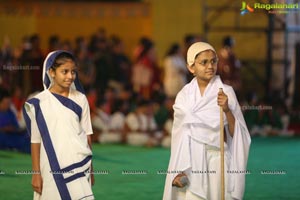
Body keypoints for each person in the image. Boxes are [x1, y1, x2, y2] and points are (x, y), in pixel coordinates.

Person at [163, 42, 251, 200]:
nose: (210, 66)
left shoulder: (226, 92)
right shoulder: (184, 96)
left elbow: (237, 134)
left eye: (213, 61)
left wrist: (227, 110)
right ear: (191, 67)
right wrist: (179, 168)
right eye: (204, 62)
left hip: (219, 160)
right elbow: (179, 137)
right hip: (192, 164)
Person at [23, 50, 95, 200]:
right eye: (65, 71)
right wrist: (36, 174)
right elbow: (35, 141)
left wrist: (91, 170)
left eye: (73, 72)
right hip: (50, 165)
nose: (70, 76)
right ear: (51, 72)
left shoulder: (80, 99)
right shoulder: (39, 103)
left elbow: (87, 137)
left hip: (80, 165)